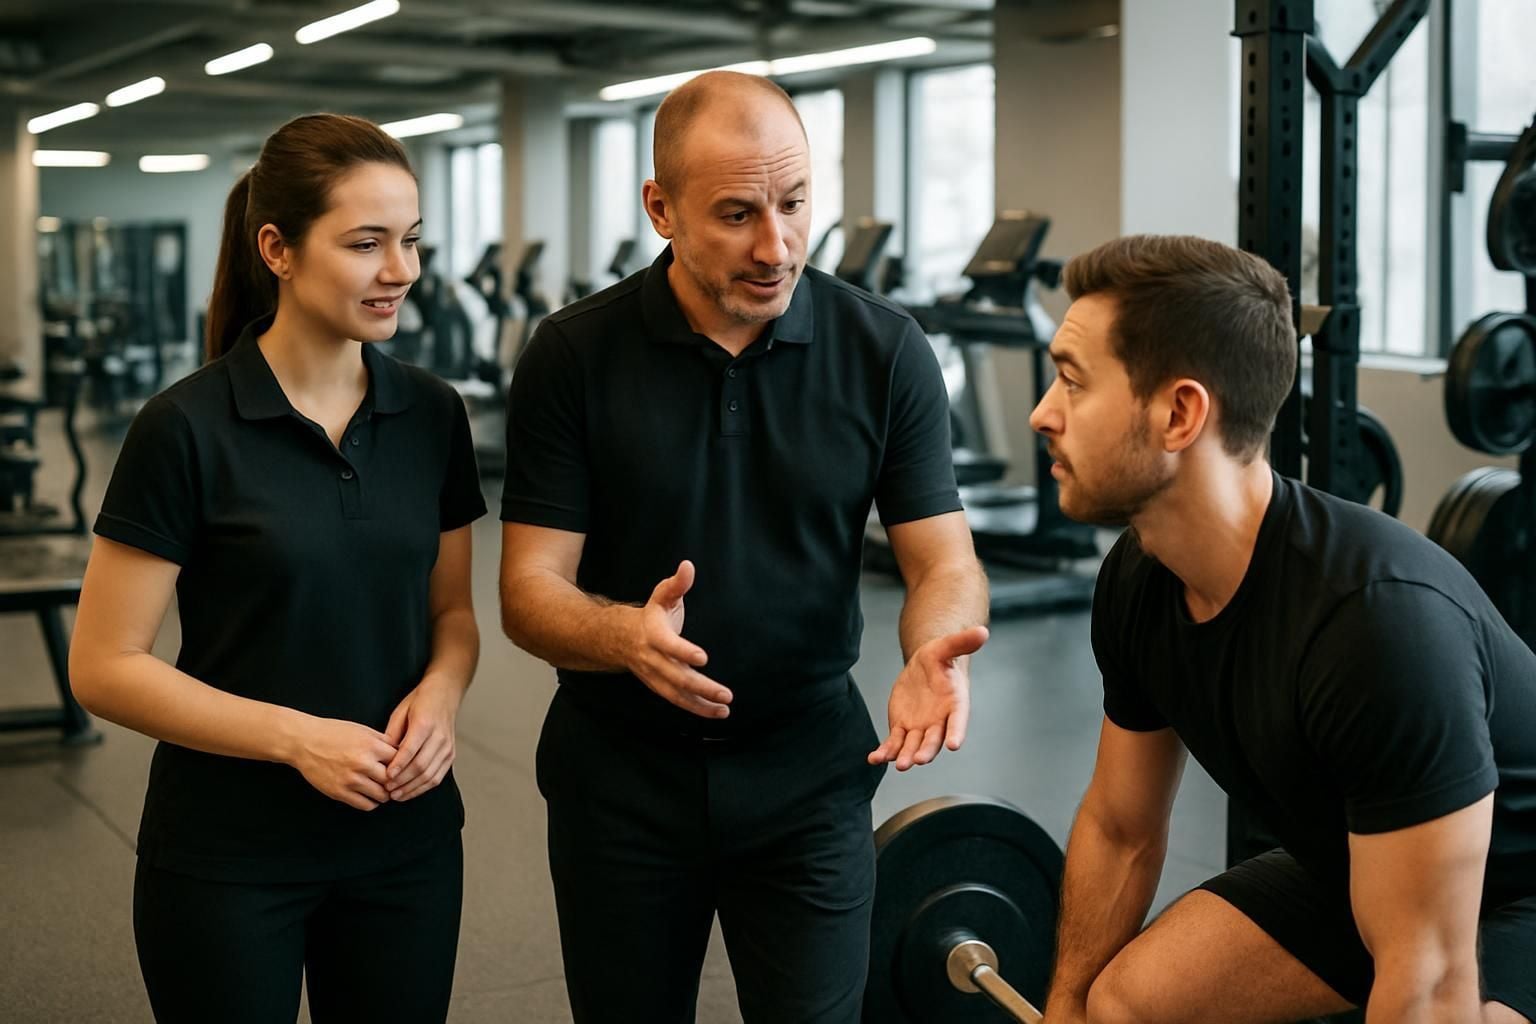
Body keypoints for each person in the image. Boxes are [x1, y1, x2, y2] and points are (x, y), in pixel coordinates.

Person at [498, 70, 990, 1022]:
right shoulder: (573, 355)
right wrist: (622, 638)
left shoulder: (883, 350)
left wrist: (935, 643)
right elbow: (528, 586)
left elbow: (944, 562)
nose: (777, 245)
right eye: (736, 214)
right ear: (661, 208)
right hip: (621, 782)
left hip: (810, 778)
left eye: (795, 203)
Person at [1029, 234, 1536, 1023]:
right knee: (1121, 1005)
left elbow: (1431, 983)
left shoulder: (1375, 627)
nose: (1043, 413)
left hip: (1520, 896)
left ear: (1179, 413)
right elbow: (1122, 826)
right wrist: (1061, 1010)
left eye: (1070, 381)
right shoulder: (1139, 577)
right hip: (1360, 864)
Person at [69, 113, 485, 1024]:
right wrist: (300, 738)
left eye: (411, 241)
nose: (402, 271)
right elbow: (104, 666)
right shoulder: (183, 429)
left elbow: (451, 616)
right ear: (278, 249)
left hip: (404, 845)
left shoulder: (432, 416)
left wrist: (443, 698)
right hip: (229, 855)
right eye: (366, 243)